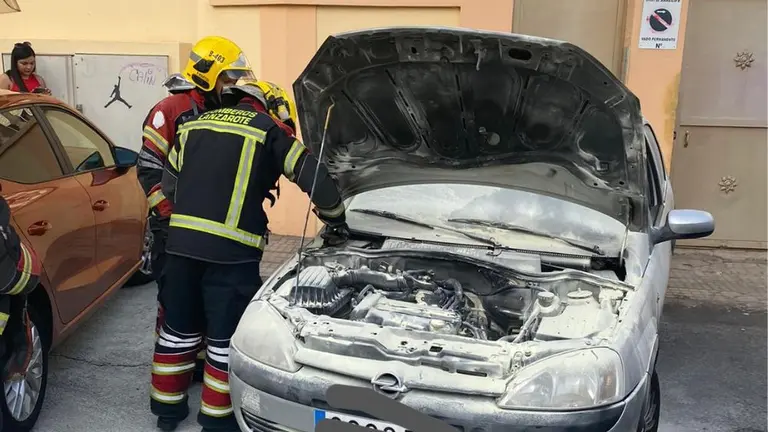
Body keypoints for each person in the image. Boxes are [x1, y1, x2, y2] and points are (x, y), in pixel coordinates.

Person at [150, 78, 349, 432]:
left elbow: (168, 185)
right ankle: (216, 419)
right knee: (224, 339)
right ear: (269, 106)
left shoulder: (193, 124)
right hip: (231, 256)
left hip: (179, 248)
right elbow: (312, 175)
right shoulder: (268, 130)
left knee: (177, 329)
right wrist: (336, 218)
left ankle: (167, 411)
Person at [138, 36, 256, 399]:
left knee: (210, 304)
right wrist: (169, 215)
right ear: (207, 75)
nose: (232, 86)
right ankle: (175, 373)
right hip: (172, 228)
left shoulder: (223, 110)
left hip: (209, 231)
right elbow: (148, 170)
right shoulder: (170, 109)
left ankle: (202, 366)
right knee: (174, 304)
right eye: (227, 79)